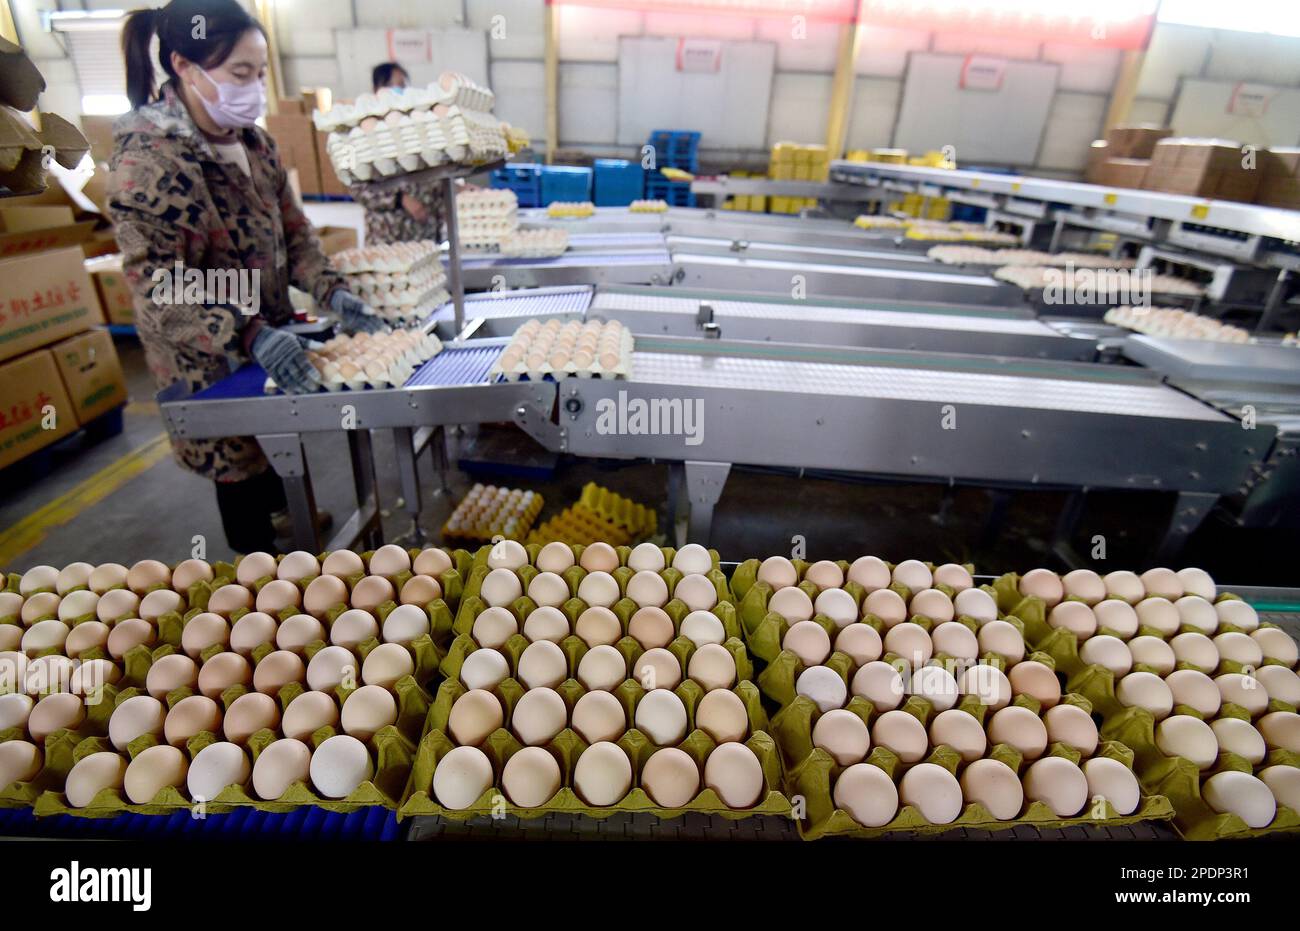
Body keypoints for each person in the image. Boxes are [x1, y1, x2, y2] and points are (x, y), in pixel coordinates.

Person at [107, 0, 382, 554]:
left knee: (282, 435)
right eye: (240, 74)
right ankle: (258, 564)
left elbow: (296, 235)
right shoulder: (151, 162)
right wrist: (246, 331)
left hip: (270, 329)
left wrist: (334, 290)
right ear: (185, 66)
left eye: (259, 74)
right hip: (206, 352)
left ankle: (288, 514)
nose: (253, 88)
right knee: (235, 461)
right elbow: (158, 283)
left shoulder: (254, 145)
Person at [347, 60, 448, 245]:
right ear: (378, 88)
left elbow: (432, 169)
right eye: (395, 85)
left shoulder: (415, 125)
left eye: (403, 85)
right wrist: (400, 199)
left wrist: (452, 188)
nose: (400, 90)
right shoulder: (362, 132)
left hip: (423, 235)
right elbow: (357, 188)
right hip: (389, 237)